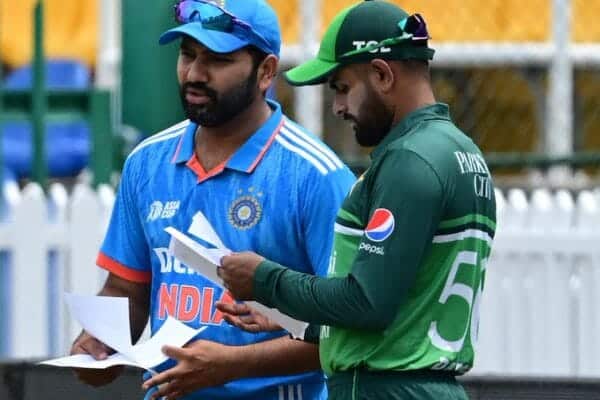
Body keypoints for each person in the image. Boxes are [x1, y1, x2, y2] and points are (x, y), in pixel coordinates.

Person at [69, 1, 355, 399]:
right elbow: (126, 289)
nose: (195, 73)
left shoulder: (315, 177)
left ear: (266, 71)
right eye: (187, 55)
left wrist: (231, 366)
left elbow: (349, 330)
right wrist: (98, 344)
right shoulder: (146, 163)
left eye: (217, 59)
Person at [218, 1, 497, 399]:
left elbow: (367, 302)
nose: (338, 107)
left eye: (343, 88)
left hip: (384, 389)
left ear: (382, 74)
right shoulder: (461, 151)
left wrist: (264, 280)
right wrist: (293, 318)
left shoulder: (409, 160)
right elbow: (406, 308)